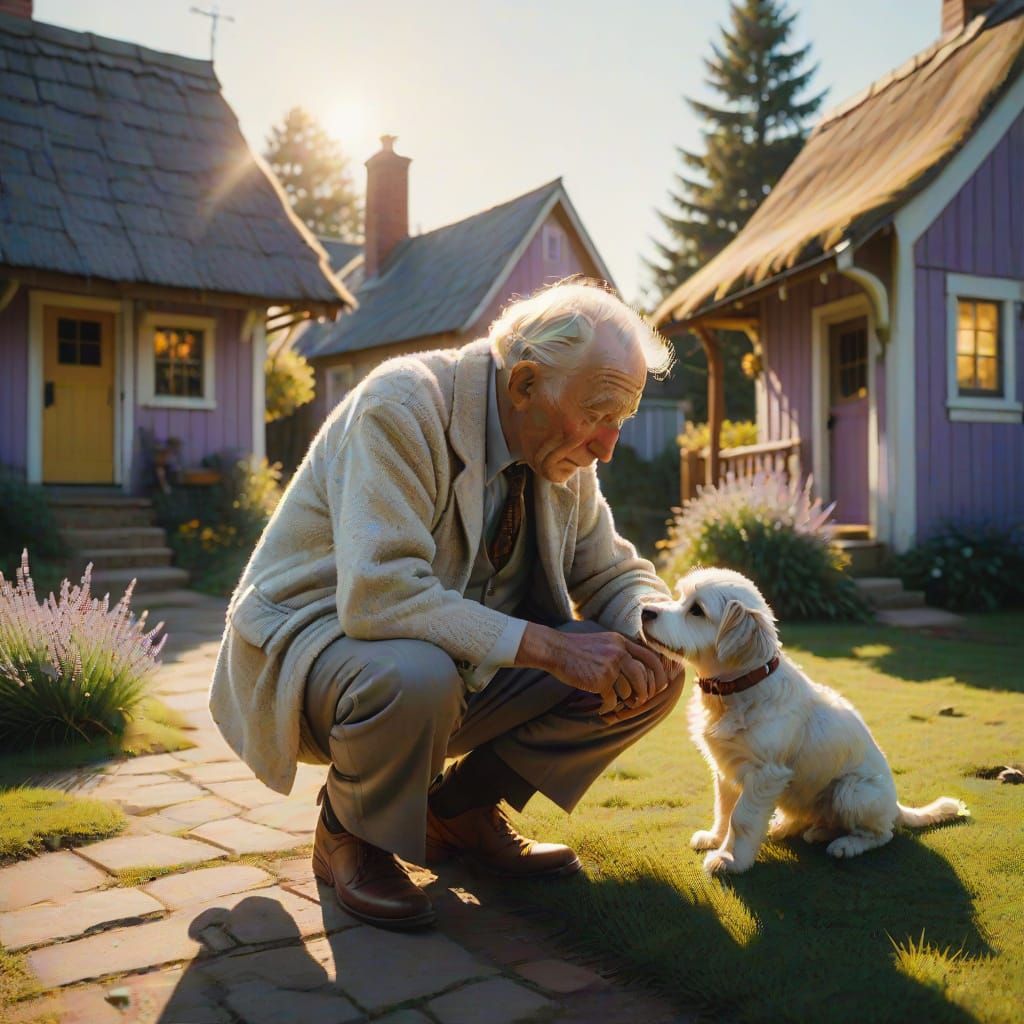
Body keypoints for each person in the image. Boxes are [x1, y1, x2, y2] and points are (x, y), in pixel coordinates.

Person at [210, 279, 685, 930]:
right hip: (317, 652)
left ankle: (456, 812)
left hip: (455, 670)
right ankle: (350, 834)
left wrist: (664, 630)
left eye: (619, 422)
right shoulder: (402, 405)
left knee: (645, 671)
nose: (609, 445)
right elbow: (378, 596)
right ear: (524, 385)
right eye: (600, 415)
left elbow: (610, 571)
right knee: (418, 673)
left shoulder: (562, 455)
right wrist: (552, 648)